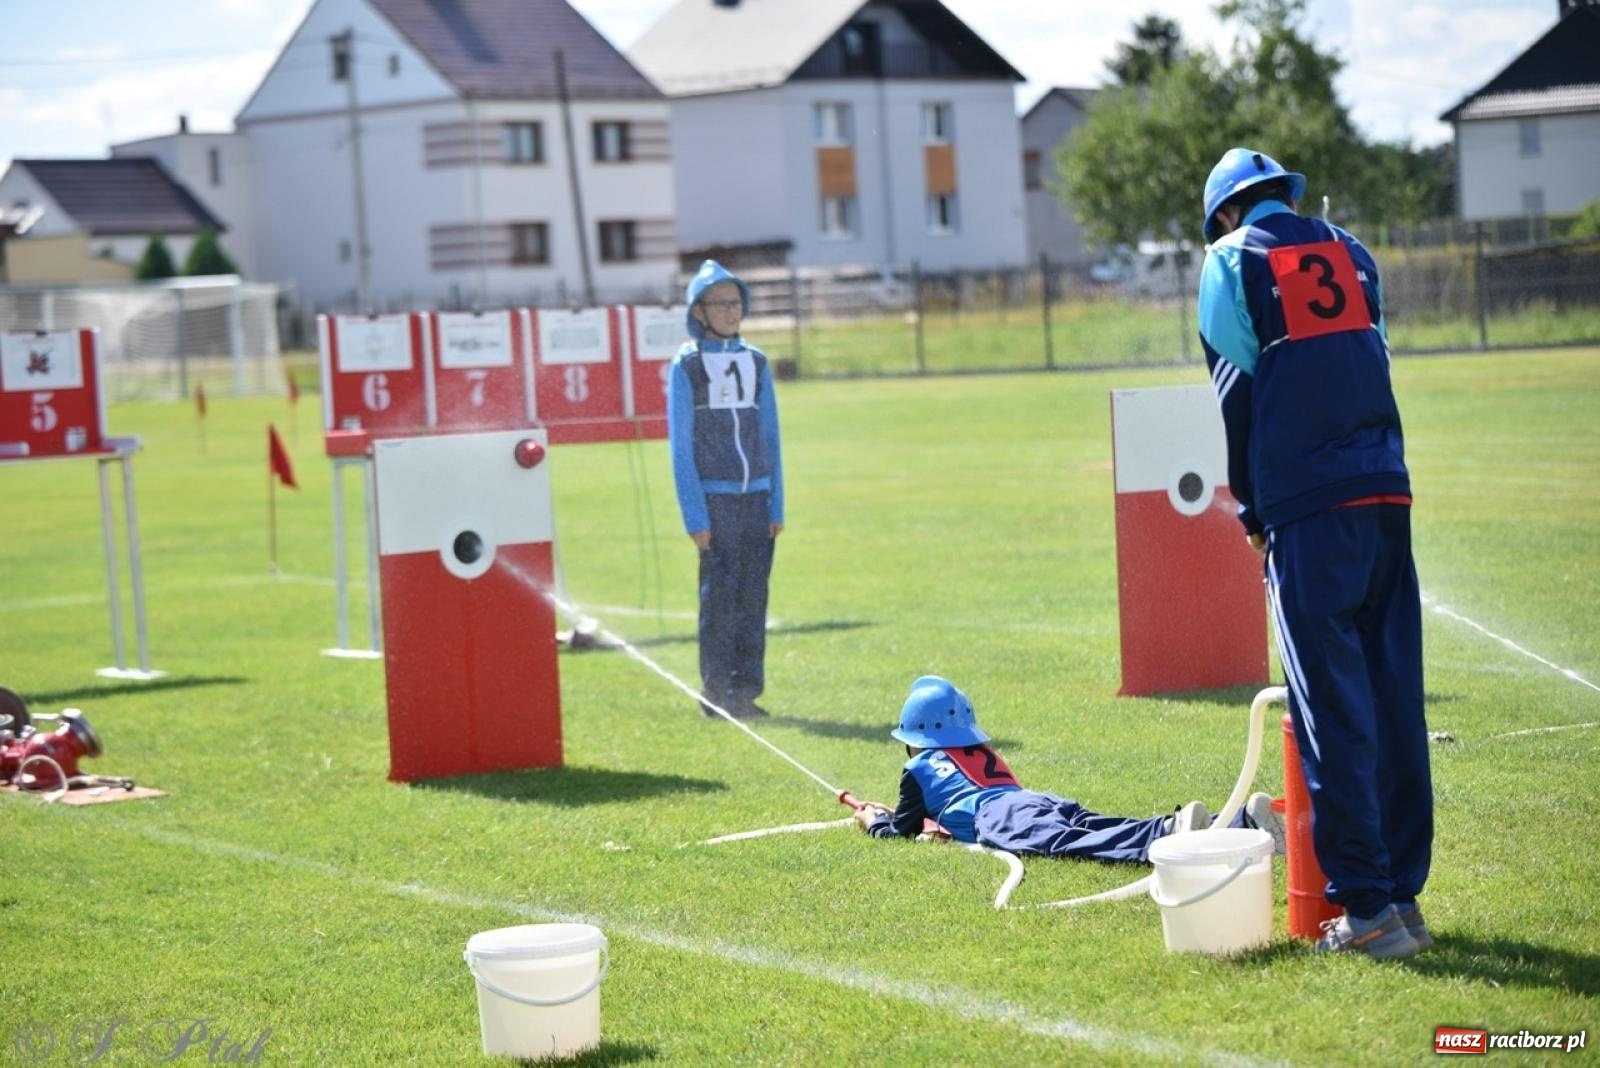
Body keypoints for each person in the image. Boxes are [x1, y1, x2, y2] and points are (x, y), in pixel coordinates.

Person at [1196, 147, 1433, 960]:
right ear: (1284, 197)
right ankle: (1403, 897)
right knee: (1393, 699)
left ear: (1226, 214)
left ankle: (1367, 911)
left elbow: (1236, 396)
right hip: (1386, 491)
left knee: (1329, 707)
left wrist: (1253, 511)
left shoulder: (1229, 260)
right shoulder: (1351, 250)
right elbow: (1374, 360)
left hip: (1307, 504)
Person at [853, 676, 1282, 861]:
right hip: (1031, 801)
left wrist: (874, 821)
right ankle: (1239, 822)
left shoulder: (919, 766)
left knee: (1077, 844)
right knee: (1096, 825)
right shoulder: (982, 752)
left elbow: (899, 834)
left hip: (998, 816)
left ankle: (1169, 834)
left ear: (916, 735)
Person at [668, 260, 784, 720]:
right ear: (699, 311)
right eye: (720, 303)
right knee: (719, 601)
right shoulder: (688, 365)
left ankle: (746, 691)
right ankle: (715, 694)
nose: (731, 311)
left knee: (753, 599)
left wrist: (776, 503)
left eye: (736, 302)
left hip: (756, 500)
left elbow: (770, 436)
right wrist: (695, 516)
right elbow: (680, 448)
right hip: (715, 502)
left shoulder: (756, 361)